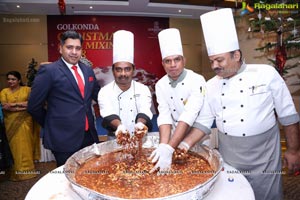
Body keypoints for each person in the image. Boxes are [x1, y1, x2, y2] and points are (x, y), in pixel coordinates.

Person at [180, 8, 300, 200]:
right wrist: (184, 145)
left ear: (236, 55)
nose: (214, 66)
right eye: (212, 61)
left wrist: (293, 151)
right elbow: (203, 123)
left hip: (264, 155)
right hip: (230, 156)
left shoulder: (266, 74)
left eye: (219, 60)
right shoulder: (210, 86)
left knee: (266, 196)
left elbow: (288, 116)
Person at [28, 30, 100, 167]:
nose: (74, 52)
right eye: (69, 47)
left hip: (88, 136)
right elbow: (33, 106)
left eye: (78, 48)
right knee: (67, 177)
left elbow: (98, 96)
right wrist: (51, 124)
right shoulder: (49, 71)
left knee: (89, 174)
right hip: (63, 137)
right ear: (60, 48)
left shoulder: (87, 70)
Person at [149, 28, 209, 174]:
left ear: (184, 61)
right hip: (174, 135)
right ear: (163, 64)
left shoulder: (197, 80)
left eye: (177, 59)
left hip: (197, 134)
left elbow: (189, 114)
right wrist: (164, 145)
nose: (173, 64)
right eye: (168, 61)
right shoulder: (160, 84)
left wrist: (170, 147)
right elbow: (164, 115)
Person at [98, 30, 153, 140]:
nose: (123, 74)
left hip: (140, 137)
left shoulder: (143, 89)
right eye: (119, 70)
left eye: (127, 69)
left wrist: (140, 124)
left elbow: (145, 109)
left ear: (133, 70)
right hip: (115, 138)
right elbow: (107, 112)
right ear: (113, 71)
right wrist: (119, 126)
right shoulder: (104, 91)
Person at [0, 71, 40, 181]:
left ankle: (27, 172)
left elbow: (31, 103)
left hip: (25, 121)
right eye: (8, 79)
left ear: (18, 80)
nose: (10, 81)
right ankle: (15, 172)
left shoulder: (27, 89)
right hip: (10, 123)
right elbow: (4, 106)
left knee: (26, 145)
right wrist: (23, 106)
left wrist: (13, 105)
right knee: (13, 147)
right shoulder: (4, 91)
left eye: (13, 79)